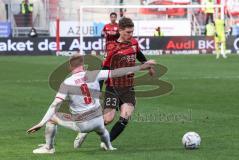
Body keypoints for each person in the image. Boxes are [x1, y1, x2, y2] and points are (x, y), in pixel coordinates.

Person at [27, 54, 156, 154]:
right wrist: (141, 66)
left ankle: (49, 147)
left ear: (70, 67)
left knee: (52, 119)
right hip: (98, 120)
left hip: (82, 124)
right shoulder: (94, 74)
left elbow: (55, 105)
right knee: (102, 131)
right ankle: (109, 146)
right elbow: (118, 72)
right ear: (83, 65)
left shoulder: (67, 83)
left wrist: (40, 123)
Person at [74, 17, 155, 148]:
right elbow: (104, 70)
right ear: (120, 30)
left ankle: (106, 143)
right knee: (108, 119)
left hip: (128, 87)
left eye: (132, 32)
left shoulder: (134, 43)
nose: (131, 35)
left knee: (125, 118)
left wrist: (148, 66)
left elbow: (139, 54)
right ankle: (84, 131)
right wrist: (98, 90)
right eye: (128, 32)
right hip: (113, 86)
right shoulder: (112, 47)